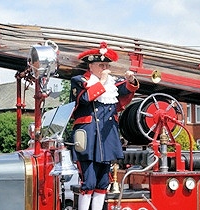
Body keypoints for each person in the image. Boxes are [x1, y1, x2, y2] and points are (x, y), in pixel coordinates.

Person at [70, 42, 139, 210]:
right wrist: (101, 81)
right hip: (88, 137)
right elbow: (84, 99)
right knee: (89, 181)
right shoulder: (79, 80)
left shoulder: (111, 83)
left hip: (107, 137)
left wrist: (131, 80)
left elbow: (125, 89)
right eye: (101, 65)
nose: (106, 68)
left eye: (107, 65)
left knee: (103, 181)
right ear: (91, 65)